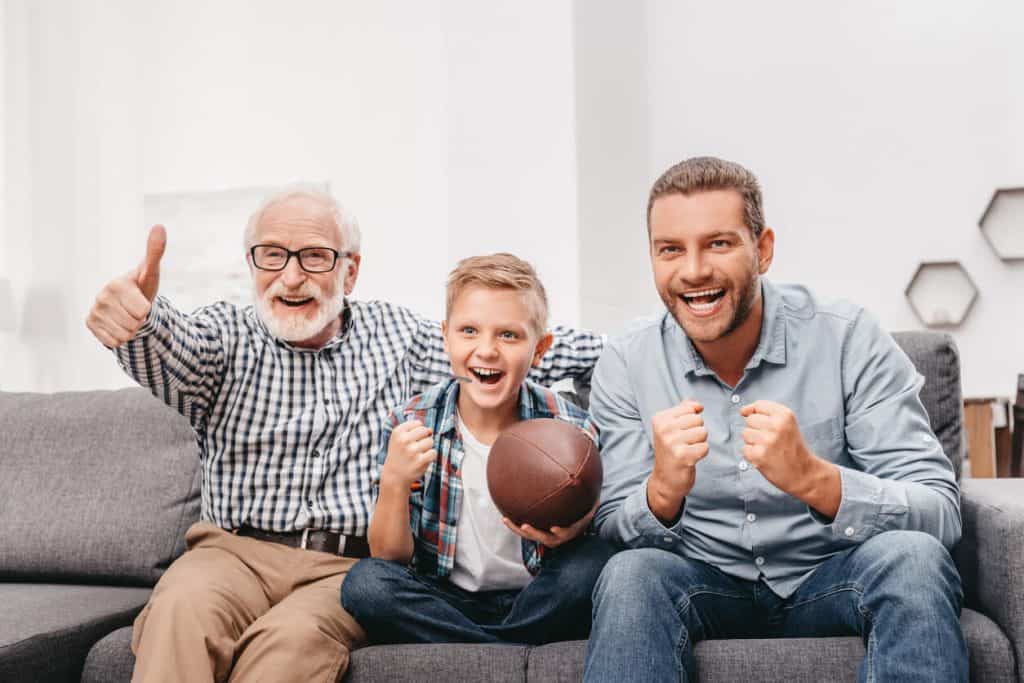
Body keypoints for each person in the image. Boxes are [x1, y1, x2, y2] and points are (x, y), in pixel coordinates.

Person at [84, 189, 604, 683]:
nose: (290, 277)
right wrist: (139, 321)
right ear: (252, 265)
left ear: (349, 271)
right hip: (231, 553)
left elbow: (507, 342)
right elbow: (177, 348)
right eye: (272, 256)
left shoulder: (399, 337)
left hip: (340, 569)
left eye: (314, 256)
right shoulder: (225, 337)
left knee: (291, 647)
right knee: (181, 610)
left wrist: (654, 347)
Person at [583, 157, 966, 682]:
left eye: (718, 243)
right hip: (704, 585)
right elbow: (610, 527)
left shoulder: (847, 337)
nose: (693, 270)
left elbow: (940, 512)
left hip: (831, 578)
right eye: (670, 249)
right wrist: (662, 491)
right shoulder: (628, 360)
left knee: (914, 561)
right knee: (631, 576)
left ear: (762, 250)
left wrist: (817, 480)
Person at [341, 253, 615, 645]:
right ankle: (509, 654)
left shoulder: (570, 427)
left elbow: (589, 527)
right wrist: (394, 482)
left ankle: (478, 653)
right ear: (445, 337)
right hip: (447, 598)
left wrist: (572, 530)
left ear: (540, 349)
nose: (486, 350)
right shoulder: (413, 421)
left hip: (538, 595)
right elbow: (390, 557)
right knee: (366, 584)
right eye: (469, 331)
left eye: (509, 335)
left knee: (595, 564)